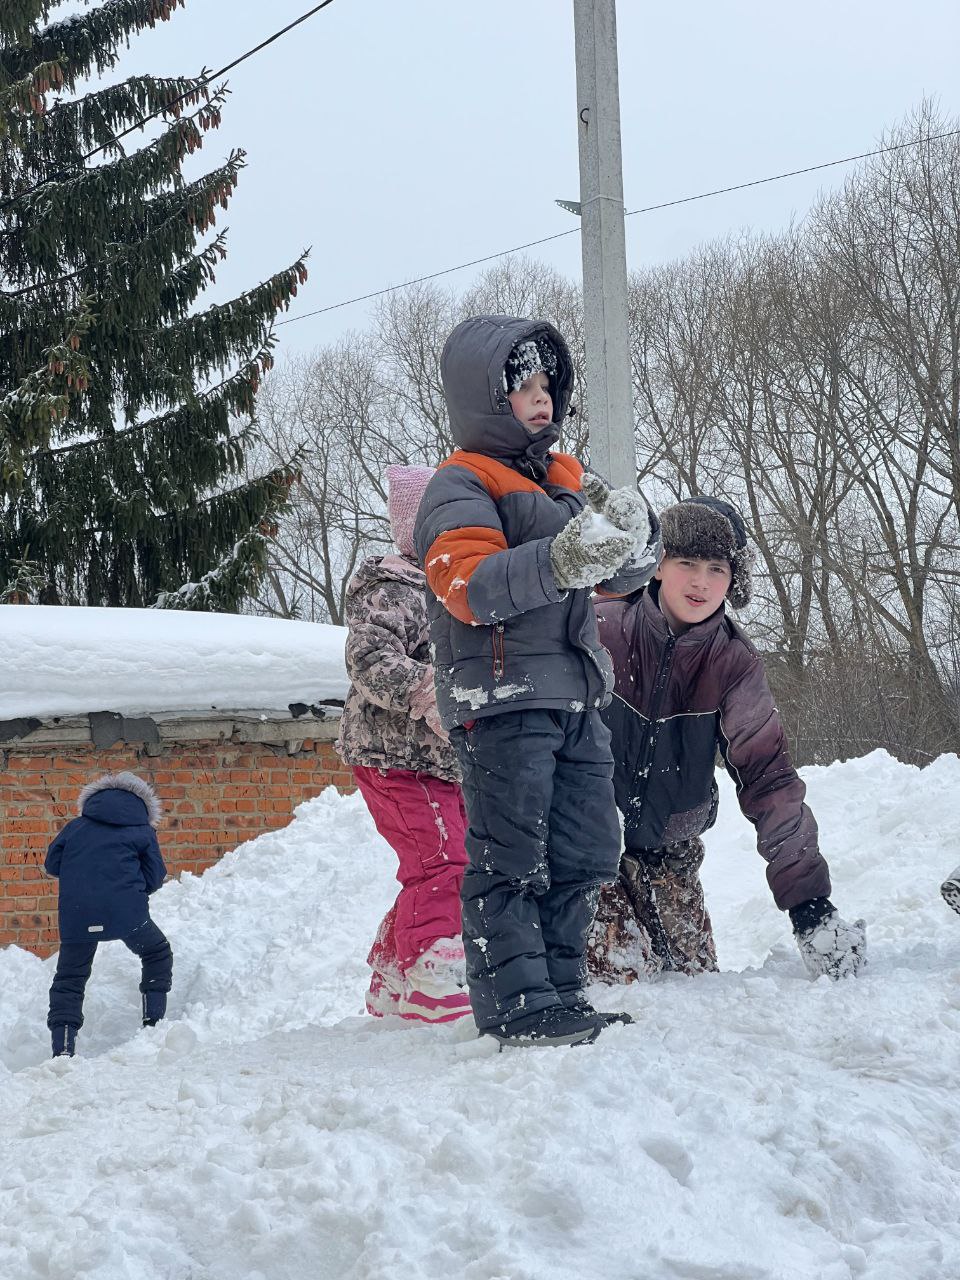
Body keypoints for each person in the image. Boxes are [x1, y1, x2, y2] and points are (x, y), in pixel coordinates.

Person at [414, 315, 661, 1047]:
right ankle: (517, 1005)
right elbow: (467, 585)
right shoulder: (460, 482)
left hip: (577, 695)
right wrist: (559, 560)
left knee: (585, 849)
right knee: (512, 855)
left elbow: (617, 577)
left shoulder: (566, 478)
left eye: (548, 384)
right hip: (503, 698)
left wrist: (635, 541)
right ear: (486, 397)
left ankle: (560, 991)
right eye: (523, 385)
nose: (541, 397)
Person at [587, 495, 867, 984]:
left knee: (696, 988)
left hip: (671, 852)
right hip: (588, 846)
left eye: (716, 568)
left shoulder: (733, 662)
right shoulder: (600, 628)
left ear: (733, 580)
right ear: (657, 565)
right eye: (687, 563)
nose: (701, 581)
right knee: (624, 986)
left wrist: (810, 906)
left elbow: (768, 777)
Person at [337, 463, 472, 1023]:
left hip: (439, 763)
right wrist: (427, 691)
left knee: (446, 861)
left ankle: (394, 977)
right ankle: (432, 978)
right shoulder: (393, 589)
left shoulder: (455, 589)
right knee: (443, 862)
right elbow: (369, 659)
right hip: (394, 758)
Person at [45, 771, 172, 1057]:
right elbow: (155, 876)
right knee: (156, 953)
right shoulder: (143, 831)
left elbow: (52, 864)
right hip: (126, 914)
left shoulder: (75, 827)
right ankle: (153, 1025)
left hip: (78, 914)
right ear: (143, 802)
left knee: (70, 978)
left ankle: (63, 1050)